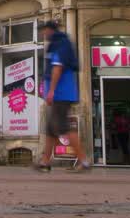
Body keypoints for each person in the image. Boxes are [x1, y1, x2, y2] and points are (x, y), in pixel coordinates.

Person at [35, 20, 90, 173]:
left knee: (63, 127)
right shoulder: (58, 43)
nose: (42, 34)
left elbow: (57, 68)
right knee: (51, 130)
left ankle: (84, 160)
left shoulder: (60, 43)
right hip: (60, 94)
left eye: (44, 30)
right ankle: (45, 162)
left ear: (50, 30)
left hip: (60, 94)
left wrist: (51, 91)